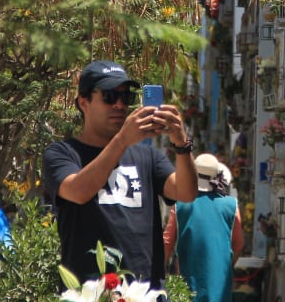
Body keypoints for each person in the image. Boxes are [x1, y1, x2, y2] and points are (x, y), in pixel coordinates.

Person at [43, 60, 198, 287]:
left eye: (125, 98)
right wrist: (122, 140)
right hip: (89, 295)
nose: (119, 105)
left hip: (146, 294)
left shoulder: (148, 156)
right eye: (109, 96)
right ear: (83, 102)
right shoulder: (62, 153)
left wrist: (181, 143)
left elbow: (186, 192)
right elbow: (78, 191)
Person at [163, 154, 243, 302]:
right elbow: (237, 245)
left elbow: (167, 244)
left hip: (186, 280)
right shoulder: (232, 206)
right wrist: (224, 265)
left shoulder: (180, 205)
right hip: (220, 283)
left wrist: (160, 275)